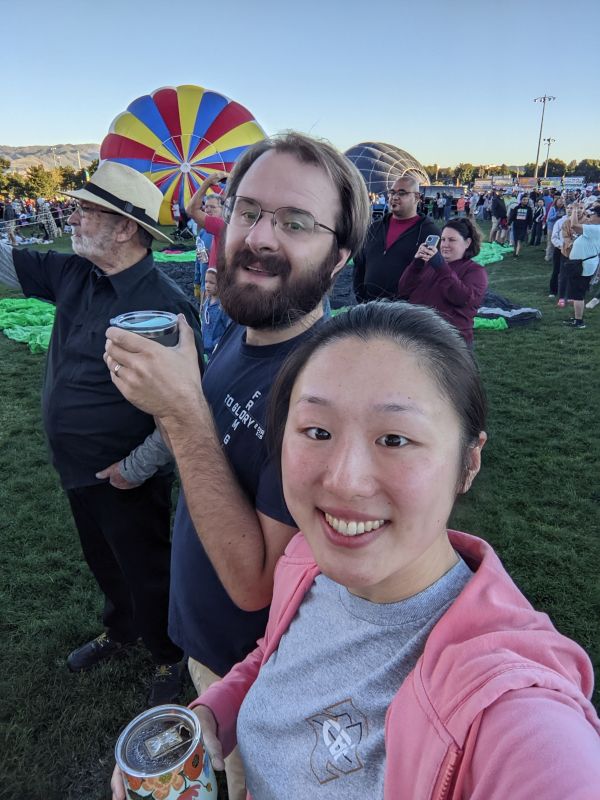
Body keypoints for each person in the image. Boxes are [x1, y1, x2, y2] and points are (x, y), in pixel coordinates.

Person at [112, 301, 600, 800]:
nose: (343, 481)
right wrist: (216, 711)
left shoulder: (512, 705)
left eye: (394, 438)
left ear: (468, 463)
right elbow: (275, 657)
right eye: (317, 431)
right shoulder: (306, 558)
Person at [104, 132, 371, 799]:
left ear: (338, 257)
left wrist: (182, 409)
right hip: (210, 661)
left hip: (263, 678)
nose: (258, 237)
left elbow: (256, 584)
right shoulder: (245, 333)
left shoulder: (324, 392)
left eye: (295, 222)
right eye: (247, 211)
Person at [0, 161, 204, 705]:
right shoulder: (72, 273)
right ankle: (122, 629)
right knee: (103, 559)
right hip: (75, 467)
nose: (74, 215)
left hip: (124, 476)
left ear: (125, 228)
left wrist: (133, 468)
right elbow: (3, 264)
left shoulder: (165, 310)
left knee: (147, 566)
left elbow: (184, 411)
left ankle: (167, 653)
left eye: (89, 210)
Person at [397, 217, 488, 345]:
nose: (445, 245)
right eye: (443, 239)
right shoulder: (430, 265)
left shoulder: (475, 271)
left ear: (467, 243)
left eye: (452, 240)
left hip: (449, 342)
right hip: (418, 336)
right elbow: (404, 290)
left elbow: (461, 298)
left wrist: (440, 265)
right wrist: (416, 263)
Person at [353, 174, 439, 302]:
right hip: (369, 307)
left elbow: (434, 275)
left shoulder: (429, 232)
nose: (395, 197)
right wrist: (360, 295)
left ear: (417, 197)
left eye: (402, 193)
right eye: (392, 192)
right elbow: (359, 263)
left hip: (405, 313)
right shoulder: (374, 228)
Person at [561, 202, 600, 329]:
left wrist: (574, 210)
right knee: (577, 292)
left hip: (583, 265)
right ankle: (577, 317)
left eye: (593, 214)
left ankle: (579, 321)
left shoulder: (596, 228)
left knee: (578, 294)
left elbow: (574, 225)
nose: (590, 216)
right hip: (583, 263)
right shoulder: (595, 228)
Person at [200, 267, 231, 356]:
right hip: (204, 345)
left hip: (216, 349)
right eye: (206, 282)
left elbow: (228, 329)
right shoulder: (207, 301)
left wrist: (218, 343)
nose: (207, 285)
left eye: (212, 283)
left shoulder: (222, 307)